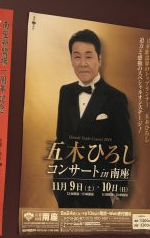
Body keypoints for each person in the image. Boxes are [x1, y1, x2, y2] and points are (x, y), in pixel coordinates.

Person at [53, 29, 133, 209]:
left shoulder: (116, 98)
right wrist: (57, 182)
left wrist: (113, 192)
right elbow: (61, 139)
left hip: (99, 194)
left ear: (100, 59)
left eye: (88, 56)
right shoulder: (65, 92)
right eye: (77, 57)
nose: (82, 63)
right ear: (71, 60)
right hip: (66, 191)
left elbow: (125, 147)